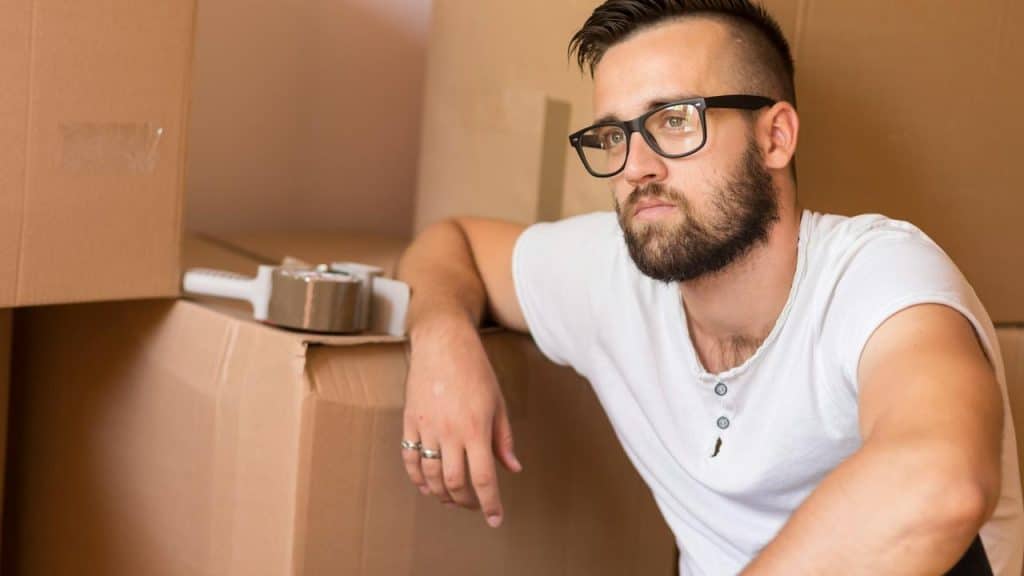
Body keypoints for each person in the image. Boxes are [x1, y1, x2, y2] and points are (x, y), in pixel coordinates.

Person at [395, 1, 1024, 574]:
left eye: (674, 120)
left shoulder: (878, 273)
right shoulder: (610, 275)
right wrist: (442, 339)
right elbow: (454, 244)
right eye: (613, 136)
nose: (636, 166)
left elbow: (942, 481)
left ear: (775, 137)